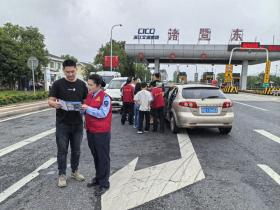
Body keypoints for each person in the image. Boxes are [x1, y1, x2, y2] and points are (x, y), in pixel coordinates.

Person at [48, 59, 88, 188]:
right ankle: (62, 175)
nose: (70, 74)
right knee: (62, 150)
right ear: (63, 70)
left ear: (76, 69)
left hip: (77, 124)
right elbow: (50, 101)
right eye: (67, 72)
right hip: (62, 124)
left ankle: (75, 172)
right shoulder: (58, 84)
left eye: (72, 71)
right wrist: (55, 104)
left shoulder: (82, 85)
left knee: (76, 150)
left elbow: (86, 101)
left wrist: (85, 106)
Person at [82, 74, 112, 196]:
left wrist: (87, 108)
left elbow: (102, 113)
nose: (88, 87)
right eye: (88, 84)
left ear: (98, 85)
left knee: (103, 157)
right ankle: (99, 178)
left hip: (101, 132)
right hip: (91, 130)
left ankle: (104, 183)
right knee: (96, 156)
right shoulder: (89, 95)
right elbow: (85, 109)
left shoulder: (105, 97)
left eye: (91, 85)